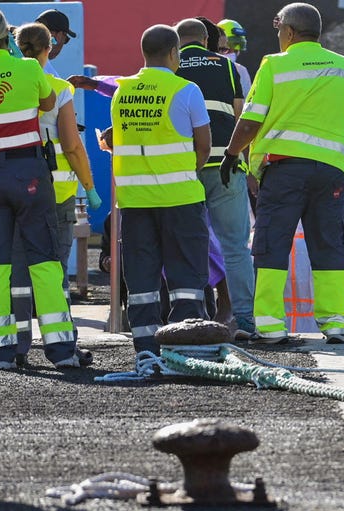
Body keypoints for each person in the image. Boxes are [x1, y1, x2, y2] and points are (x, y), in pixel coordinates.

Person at [220, 2, 344, 344]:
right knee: (330, 245)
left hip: (284, 171)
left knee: (271, 245)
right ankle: (336, 324)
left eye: (279, 29)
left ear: (290, 32)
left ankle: (271, 327)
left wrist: (232, 154)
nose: (278, 35)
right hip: (333, 174)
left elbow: (250, 121)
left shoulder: (275, 65)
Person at [0, 2, 81, 369]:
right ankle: (60, 350)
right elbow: (48, 100)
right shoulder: (26, 68)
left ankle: (3, 351)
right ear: (7, 34)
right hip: (28, 172)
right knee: (44, 259)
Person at [103, 25, 212, 356]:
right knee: (187, 279)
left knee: (141, 281)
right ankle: (186, 350)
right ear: (174, 53)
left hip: (134, 203)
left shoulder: (123, 92)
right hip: (180, 200)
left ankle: (146, 351)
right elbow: (203, 148)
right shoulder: (187, 90)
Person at [9, 23, 99, 365]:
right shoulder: (60, 89)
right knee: (53, 274)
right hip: (57, 192)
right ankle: (63, 346)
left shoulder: (7, 86)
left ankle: (16, 346)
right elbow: (73, 147)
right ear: (49, 49)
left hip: (13, 189)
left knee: (17, 272)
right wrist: (90, 189)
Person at [174, 18, 254, 335]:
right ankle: (245, 321)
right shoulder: (228, 67)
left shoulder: (171, 68)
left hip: (184, 168)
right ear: (207, 39)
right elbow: (241, 118)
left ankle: (188, 319)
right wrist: (245, 164)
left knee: (186, 246)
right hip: (225, 166)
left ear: (176, 42)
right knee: (236, 247)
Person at [216, 19, 253, 104]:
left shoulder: (242, 71)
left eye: (236, 50)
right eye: (227, 49)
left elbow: (246, 105)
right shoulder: (203, 66)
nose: (232, 54)